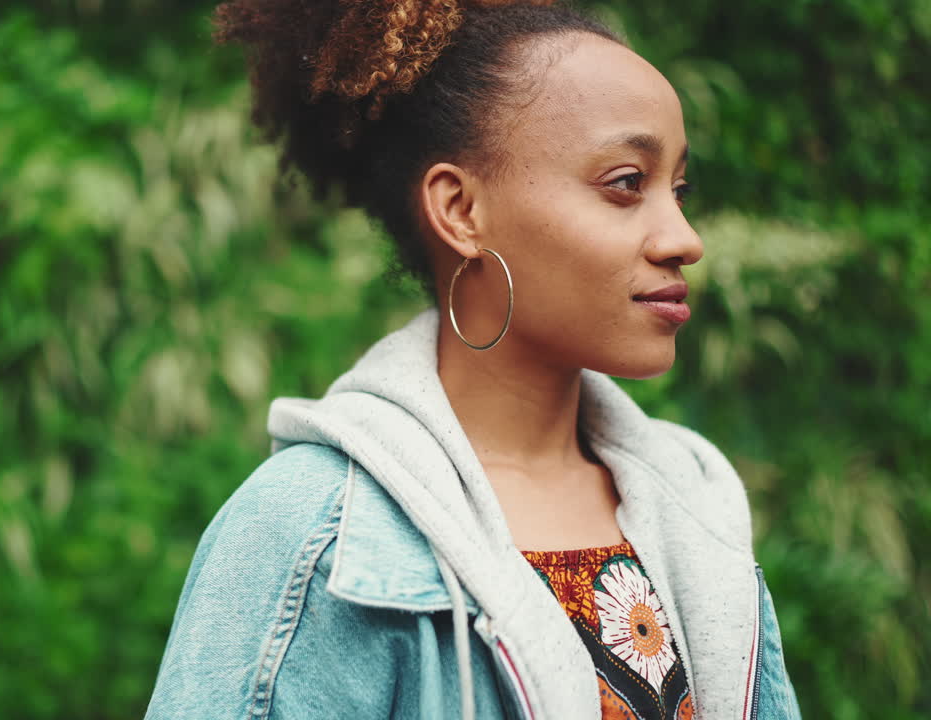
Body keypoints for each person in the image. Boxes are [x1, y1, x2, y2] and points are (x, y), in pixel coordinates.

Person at [147, 1, 801, 718]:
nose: (683, 238)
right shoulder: (316, 533)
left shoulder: (694, 498)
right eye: (624, 184)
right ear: (460, 210)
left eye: (678, 190)